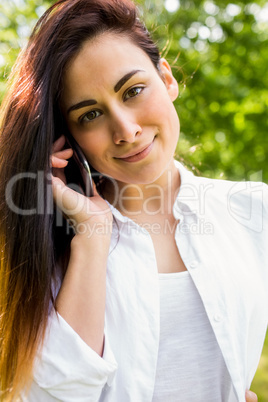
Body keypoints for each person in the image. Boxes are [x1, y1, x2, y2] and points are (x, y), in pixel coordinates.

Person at [0, 0, 266, 401]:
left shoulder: (254, 211)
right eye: (90, 115)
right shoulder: (49, 251)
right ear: (67, 137)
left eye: (133, 90)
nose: (125, 129)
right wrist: (93, 233)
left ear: (167, 79)